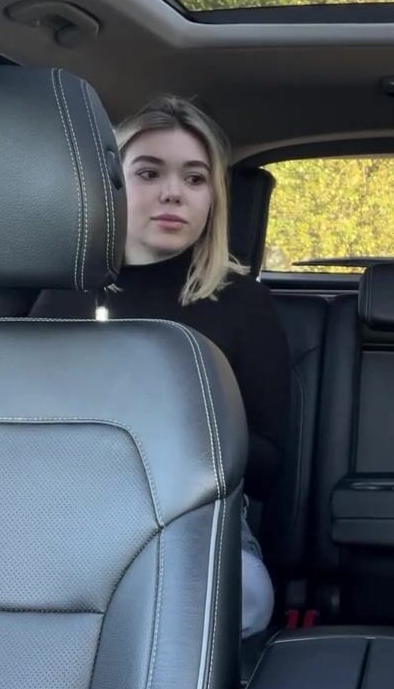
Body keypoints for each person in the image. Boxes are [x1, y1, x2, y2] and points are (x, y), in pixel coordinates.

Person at [32, 95, 290, 640]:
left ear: (213, 198)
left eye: (195, 179)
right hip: (63, 510)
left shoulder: (241, 303)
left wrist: (184, 431)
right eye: (149, 173)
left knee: (240, 596)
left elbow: (268, 466)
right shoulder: (60, 295)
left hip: (190, 516)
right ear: (112, 186)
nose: (174, 192)